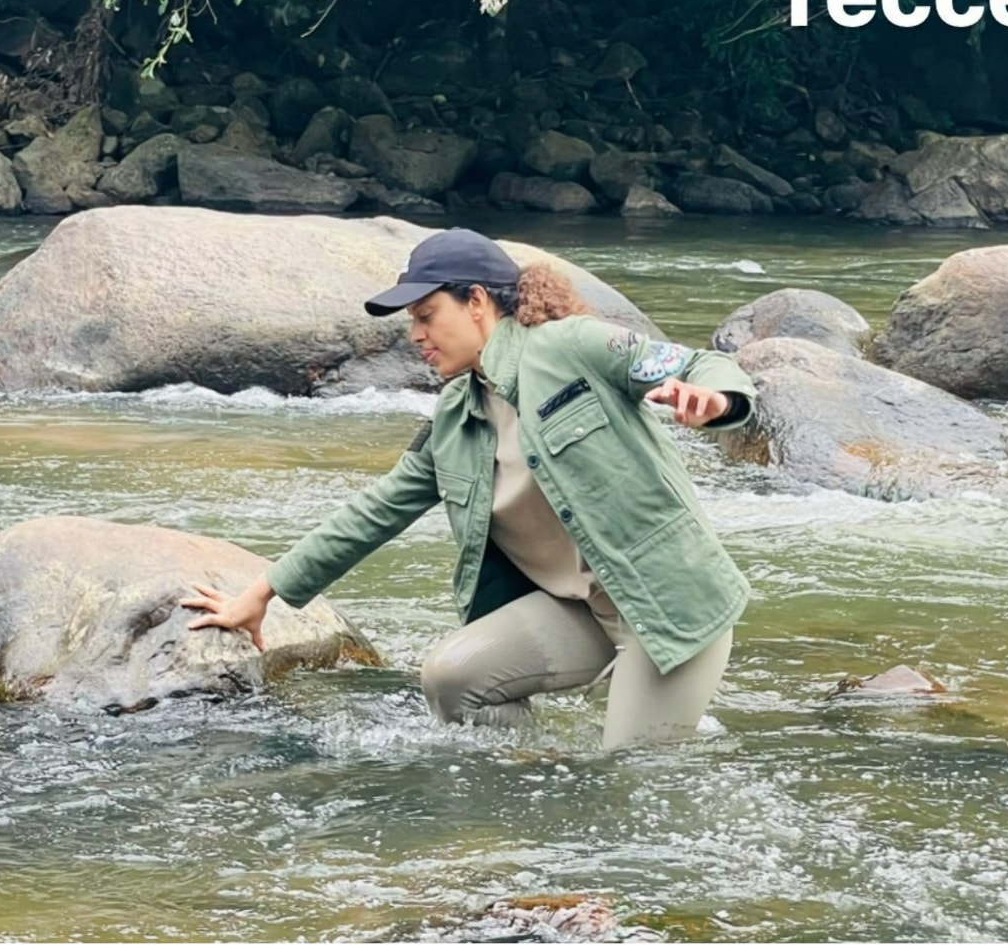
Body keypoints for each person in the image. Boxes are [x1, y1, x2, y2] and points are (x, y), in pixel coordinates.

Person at [181, 229, 757, 750]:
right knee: (453, 678)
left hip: (666, 609)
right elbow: (372, 513)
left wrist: (716, 402)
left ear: (477, 302)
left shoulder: (573, 345)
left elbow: (699, 364)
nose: (416, 336)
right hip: (579, 614)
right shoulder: (455, 416)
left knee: (629, 779)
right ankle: (534, 787)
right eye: (412, 321)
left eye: (427, 315)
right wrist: (264, 591)